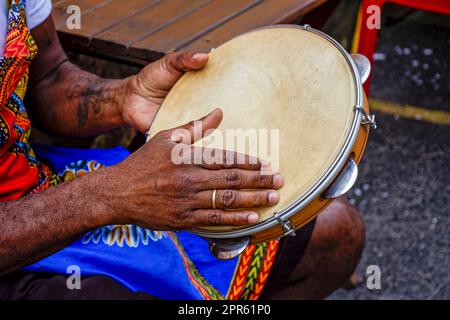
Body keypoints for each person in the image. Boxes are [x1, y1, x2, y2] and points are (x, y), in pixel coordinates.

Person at [0, 0, 365, 300]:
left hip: (39, 184)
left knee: (334, 235)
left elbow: (48, 76)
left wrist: (124, 98)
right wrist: (107, 194)